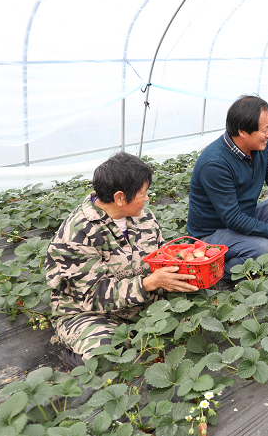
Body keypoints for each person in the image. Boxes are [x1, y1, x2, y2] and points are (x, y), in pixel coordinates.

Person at [46, 152, 199, 369]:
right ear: (119, 198)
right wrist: (149, 283)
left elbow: (160, 257)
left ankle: (137, 334)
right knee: (107, 355)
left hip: (144, 303)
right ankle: (79, 355)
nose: (147, 198)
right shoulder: (77, 234)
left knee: (199, 306)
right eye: (143, 193)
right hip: (90, 313)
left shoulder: (143, 216)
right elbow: (94, 295)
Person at [187, 95, 268, 282]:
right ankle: (213, 273)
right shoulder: (215, 164)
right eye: (265, 129)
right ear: (242, 131)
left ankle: (263, 261)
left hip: (247, 217)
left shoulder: (260, 148)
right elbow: (233, 219)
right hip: (211, 234)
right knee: (264, 248)